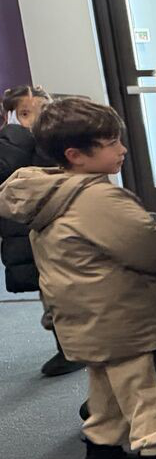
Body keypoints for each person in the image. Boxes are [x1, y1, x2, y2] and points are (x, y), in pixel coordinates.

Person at [0, 98, 156, 459]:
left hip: (83, 320)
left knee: (106, 390)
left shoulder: (48, 193)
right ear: (76, 155)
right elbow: (147, 244)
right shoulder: (95, 199)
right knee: (147, 390)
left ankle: (102, 455)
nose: (122, 149)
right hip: (123, 319)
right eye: (110, 143)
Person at [0, 83, 81, 377]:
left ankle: (75, 347)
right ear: (10, 118)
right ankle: (66, 347)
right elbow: (5, 168)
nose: (35, 119)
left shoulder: (57, 142)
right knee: (48, 292)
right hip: (24, 234)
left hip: (58, 230)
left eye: (42, 112)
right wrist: (17, 134)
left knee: (66, 289)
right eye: (24, 114)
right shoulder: (11, 142)